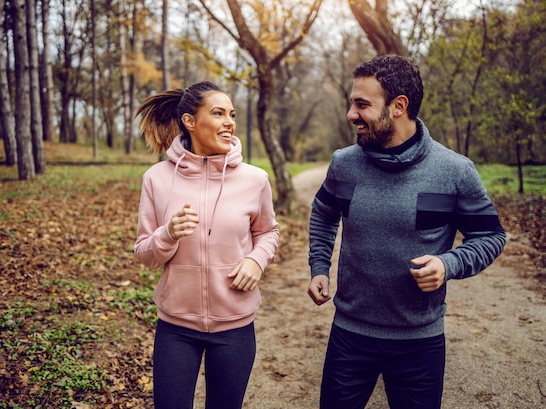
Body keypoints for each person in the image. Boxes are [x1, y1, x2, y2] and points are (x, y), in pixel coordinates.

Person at [307, 54, 506, 409]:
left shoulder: (454, 171)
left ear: (399, 106)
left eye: (362, 105)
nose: (352, 114)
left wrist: (449, 264)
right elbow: (323, 214)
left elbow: (491, 236)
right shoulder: (344, 163)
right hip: (350, 334)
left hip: (419, 341)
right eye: (353, 104)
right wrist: (319, 267)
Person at [133, 81, 279, 409]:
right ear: (190, 121)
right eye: (218, 113)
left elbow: (268, 232)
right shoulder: (156, 178)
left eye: (232, 114)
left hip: (235, 328)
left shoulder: (254, 180)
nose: (229, 122)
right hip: (176, 329)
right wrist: (167, 234)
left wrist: (256, 260)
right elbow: (144, 252)